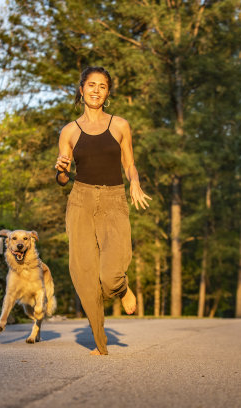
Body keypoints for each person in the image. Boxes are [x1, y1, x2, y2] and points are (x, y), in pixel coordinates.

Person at [54, 66, 151, 355]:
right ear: (81, 89)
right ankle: (100, 343)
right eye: (91, 85)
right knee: (84, 274)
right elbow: (62, 179)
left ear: (108, 93)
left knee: (110, 274)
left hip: (113, 200)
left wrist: (134, 182)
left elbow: (129, 163)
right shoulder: (69, 131)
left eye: (103, 86)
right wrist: (60, 170)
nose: (96, 90)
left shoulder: (120, 125)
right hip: (80, 201)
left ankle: (121, 289)